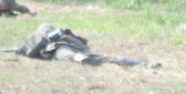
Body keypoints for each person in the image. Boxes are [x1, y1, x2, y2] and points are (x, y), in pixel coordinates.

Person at [10, 23, 160, 68]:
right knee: (104, 58)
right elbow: (26, 52)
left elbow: (28, 54)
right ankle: (143, 64)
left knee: (77, 57)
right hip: (67, 48)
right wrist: (43, 42)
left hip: (63, 48)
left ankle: (143, 64)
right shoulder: (36, 37)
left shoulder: (58, 35)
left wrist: (45, 42)